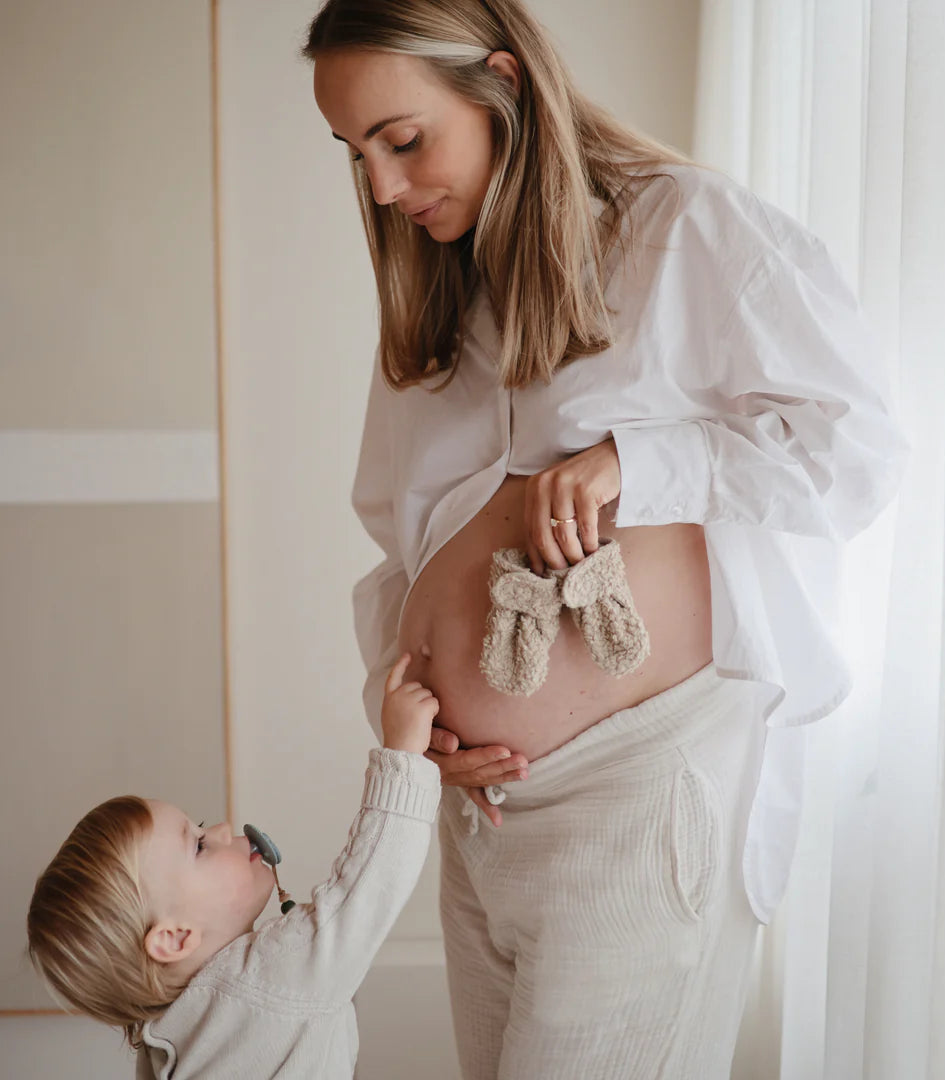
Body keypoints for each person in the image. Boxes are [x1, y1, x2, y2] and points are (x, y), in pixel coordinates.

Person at [304, 1, 908, 1076]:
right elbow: (397, 556)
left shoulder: (685, 231)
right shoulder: (438, 300)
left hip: (635, 805)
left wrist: (643, 461)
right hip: (482, 817)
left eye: (404, 140)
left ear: (501, 84)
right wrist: (408, 717)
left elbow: (854, 451)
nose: (386, 188)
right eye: (359, 156)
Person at [25, 655, 441, 1080]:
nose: (224, 829)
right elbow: (366, 890)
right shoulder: (274, 977)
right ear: (175, 937)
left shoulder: (164, 1040)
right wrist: (403, 757)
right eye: (201, 845)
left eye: (202, 826)